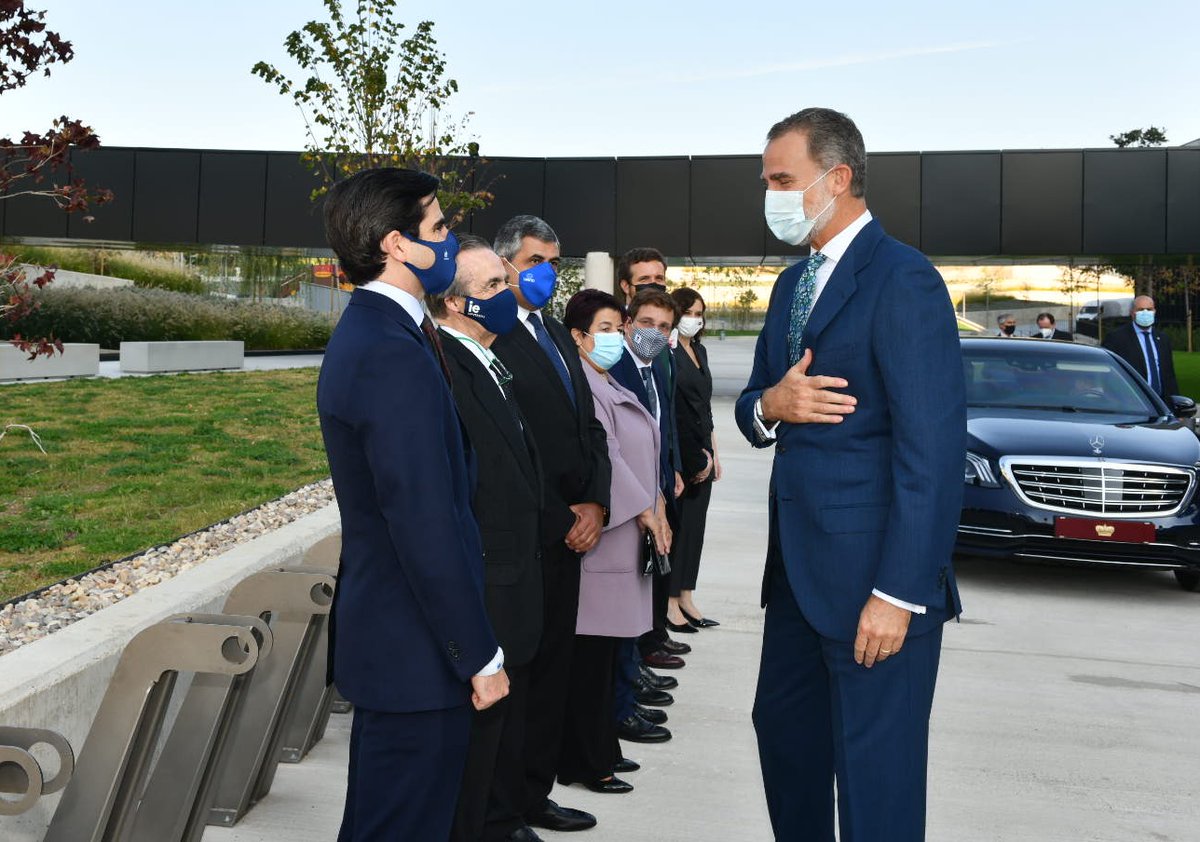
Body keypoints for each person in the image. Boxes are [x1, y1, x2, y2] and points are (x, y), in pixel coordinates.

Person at [735, 108, 965, 841]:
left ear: (837, 178)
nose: (769, 195)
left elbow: (930, 451)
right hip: (797, 587)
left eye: (782, 180)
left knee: (877, 786)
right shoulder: (789, 287)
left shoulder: (903, 280)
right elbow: (753, 407)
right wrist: (770, 405)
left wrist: (899, 592)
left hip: (875, 587)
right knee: (787, 747)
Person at [316, 168, 509, 842]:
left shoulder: (389, 334)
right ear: (397, 244)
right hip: (414, 655)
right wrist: (478, 655)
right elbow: (422, 519)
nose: (451, 243)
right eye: (440, 229)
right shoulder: (387, 350)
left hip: (406, 649)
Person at [489, 215, 610, 835]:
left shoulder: (556, 335)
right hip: (533, 535)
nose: (546, 273)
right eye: (536, 260)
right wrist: (560, 516)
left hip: (574, 533)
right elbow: (508, 448)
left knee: (553, 672)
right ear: (506, 263)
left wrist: (597, 504)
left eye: (555, 263)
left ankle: (535, 795)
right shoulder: (491, 336)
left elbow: (588, 427)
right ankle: (504, 810)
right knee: (520, 675)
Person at [431, 236, 546, 842]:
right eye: (493, 288)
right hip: (489, 576)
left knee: (506, 717)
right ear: (454, 305)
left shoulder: (485, 359)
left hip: (515, 573)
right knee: (481, 727)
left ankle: (501, 819)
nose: (510, 295)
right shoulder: (448, 368)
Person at [558, 288, 670, 795]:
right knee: (591, 661)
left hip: (626, 534)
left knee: (607, 659)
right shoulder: (584, 385)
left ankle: (602, 746)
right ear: (578, 336)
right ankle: (588, 758)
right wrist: (646, 510)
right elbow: (608, 456)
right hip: (609, 536)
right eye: (604, 329)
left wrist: (655, 504)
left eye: (616, 327)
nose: (615, 337)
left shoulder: (604, 379)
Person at [667, 287, 720, 631]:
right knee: (680, 527)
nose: (695, 320)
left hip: (704, 450)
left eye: (699, 314)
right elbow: (674, 409)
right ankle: (670, 602)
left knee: (696, 530)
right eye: (689, 312)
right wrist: (691, 458)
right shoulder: (669, 352)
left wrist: (715, 453)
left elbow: (705, 407)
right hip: (684, 452)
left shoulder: (698, 350)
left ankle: (687, 595)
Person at [1102, 295, 1179, 400]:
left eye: (1149, 309)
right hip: (1131, 403)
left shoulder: (1163, 339)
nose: (1145, 313)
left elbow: (1169, 375)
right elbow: (1107, 373)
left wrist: (1176, 403)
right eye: (1141, 309)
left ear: (1154, 311)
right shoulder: (1116, 338)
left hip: (1161, 403)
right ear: (1132, 312)